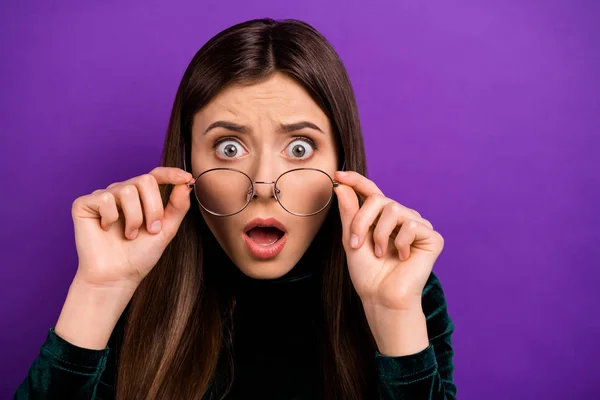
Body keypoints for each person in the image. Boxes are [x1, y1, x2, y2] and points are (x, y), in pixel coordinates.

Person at [14, 18, 456, 400]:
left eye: (300, 148)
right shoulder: (136, 284)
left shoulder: (405, 289)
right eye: (228, 147)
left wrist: (395, 317)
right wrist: (97, 291)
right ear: (187, 163)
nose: (263, 184)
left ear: (341, 164)